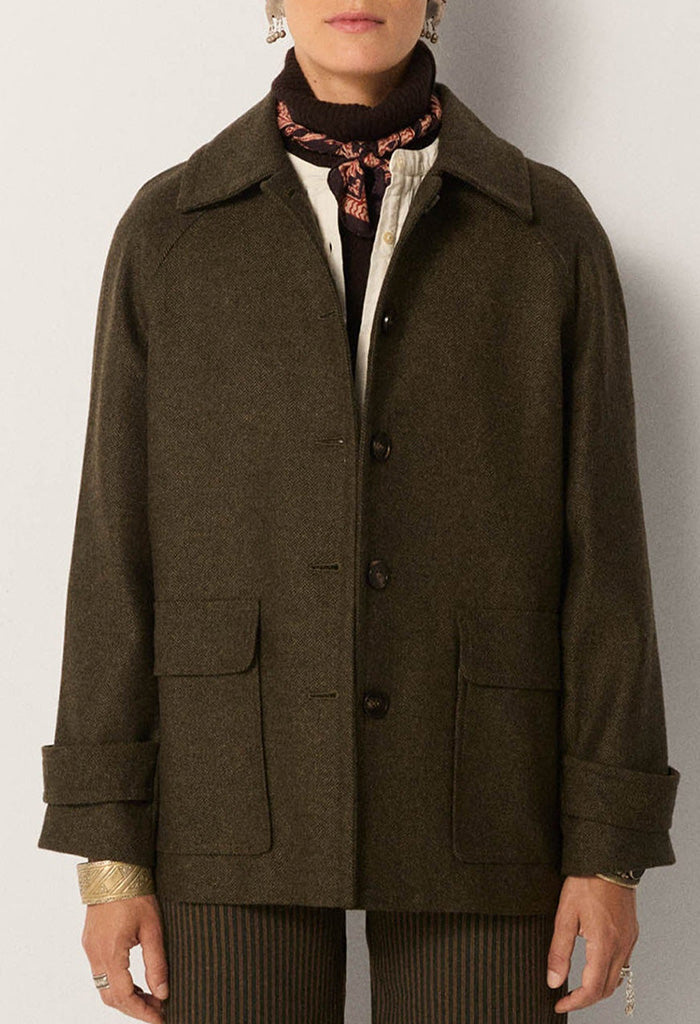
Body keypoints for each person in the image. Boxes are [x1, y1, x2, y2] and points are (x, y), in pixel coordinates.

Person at [37, 2, 681, 1022]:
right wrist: (108, 852)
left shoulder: (544, 231)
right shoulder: (171, 231)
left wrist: (609, 849)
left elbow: (605, 559)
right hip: (226, 788)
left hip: (483, 791)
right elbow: (114, 549)